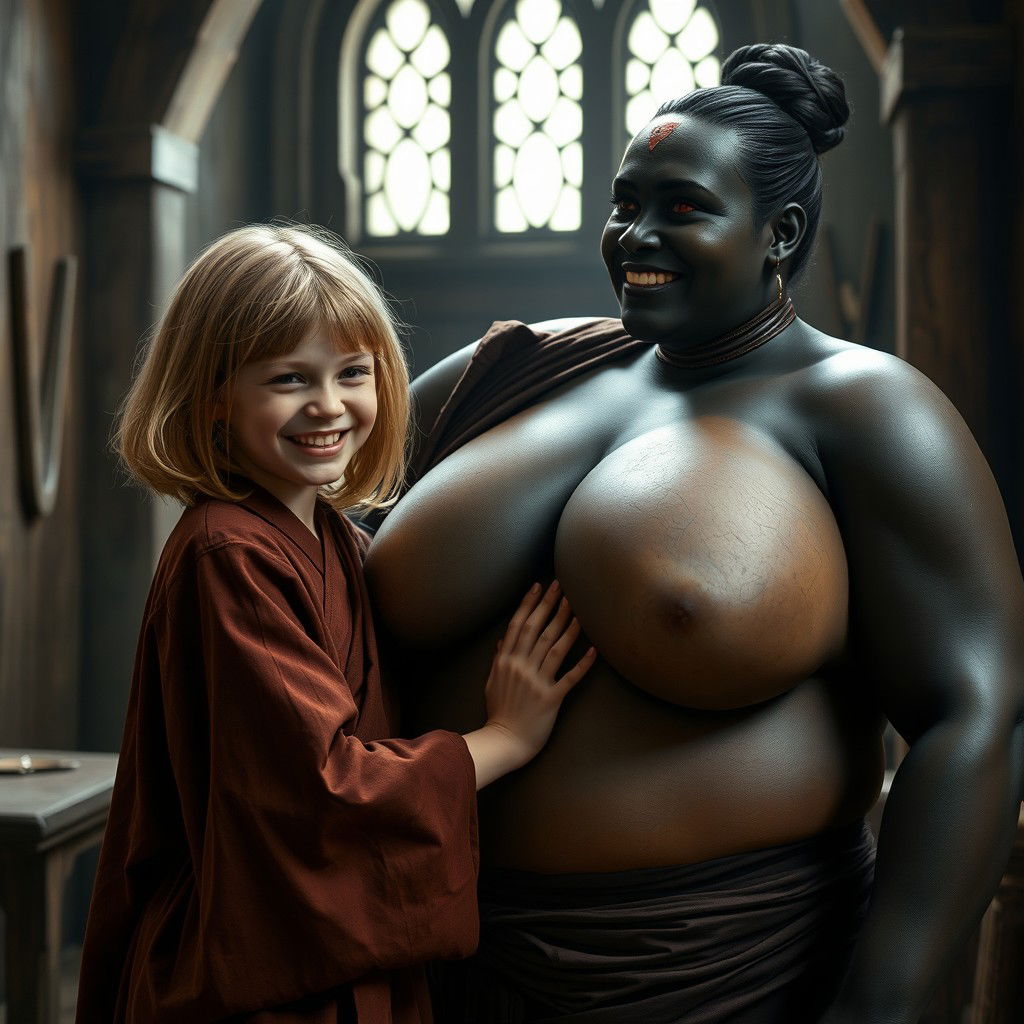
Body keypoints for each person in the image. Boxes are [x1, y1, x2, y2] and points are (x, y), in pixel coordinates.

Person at [364, 44, 1024, 1023]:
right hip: (440, 959)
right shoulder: (504, 372)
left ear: (780, 231)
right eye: (626, 201)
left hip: (724, 970)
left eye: (681, 208)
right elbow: (307, 551)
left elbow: (974, 716)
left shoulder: (866, 411)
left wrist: (876, 1006)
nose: (635, 233)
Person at [74, 224, 596, 1024]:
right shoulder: (228, 555)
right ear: (215, 392)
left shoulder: (339, 540)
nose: (328, 405)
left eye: (353, 372)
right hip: (258, 979)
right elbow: (318, 794)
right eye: (288, 379)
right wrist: (504, 739)